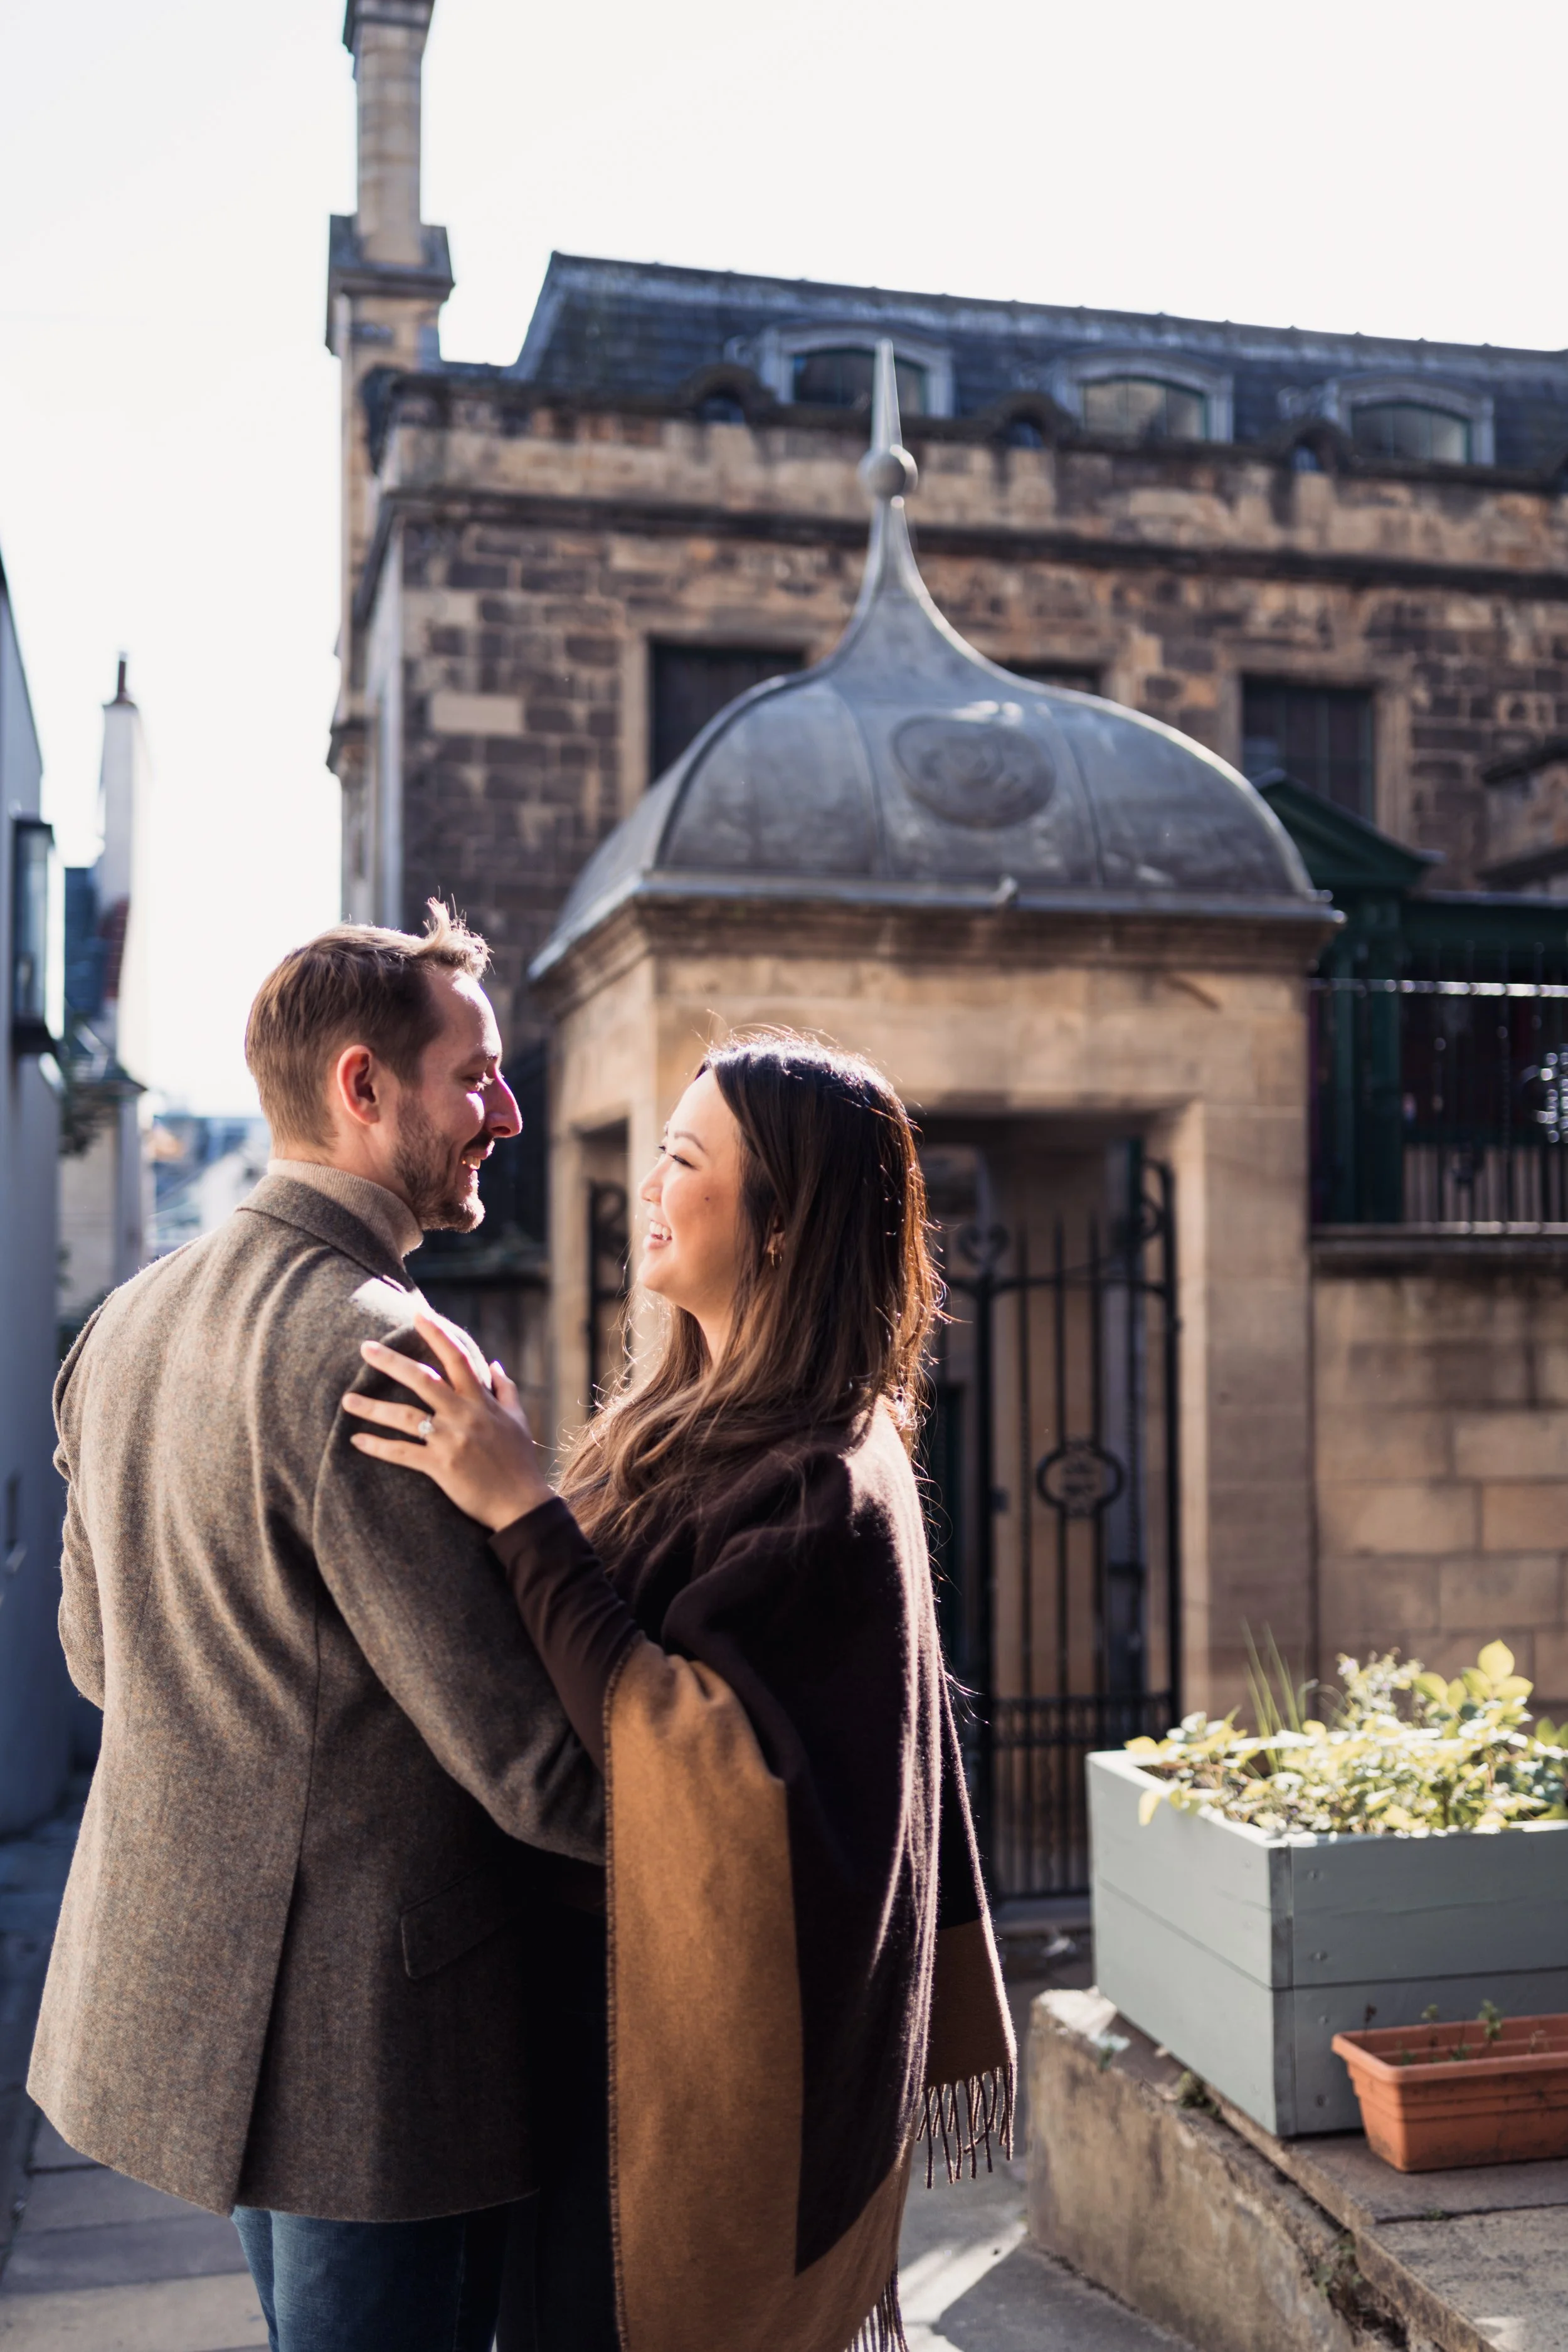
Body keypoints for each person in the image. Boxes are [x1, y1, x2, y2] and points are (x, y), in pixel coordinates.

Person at [345, 1034, 1016, 2352]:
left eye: (686, 1160)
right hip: (579, 2035)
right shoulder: (685, 1421)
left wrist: (521, 1511)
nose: (650, 1185)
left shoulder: (821, 1476)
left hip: (668, 2063)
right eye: (658, 1150)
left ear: (782, 1227)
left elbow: (698, 1756)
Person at [29, 907, 602, 2352]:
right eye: (472, 1075)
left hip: (200, 2006)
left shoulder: (124, 1319)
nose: (506, 1110)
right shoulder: (383, 1349)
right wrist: (738, 1831)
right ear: (363, 1087)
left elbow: (99, 1661)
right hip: (378, 2051)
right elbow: (523, 1764)